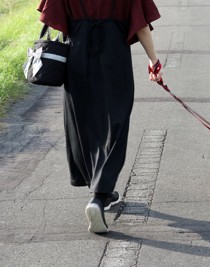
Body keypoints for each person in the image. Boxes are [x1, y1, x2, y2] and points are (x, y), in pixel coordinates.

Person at [37, 0, 163, 234]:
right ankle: (99, 194)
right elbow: (141, 26)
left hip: (78, 55)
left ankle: (99, 188)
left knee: (83, 121)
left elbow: (53, 20)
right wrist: (153, 60)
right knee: (115, 121)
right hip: (114, 57)